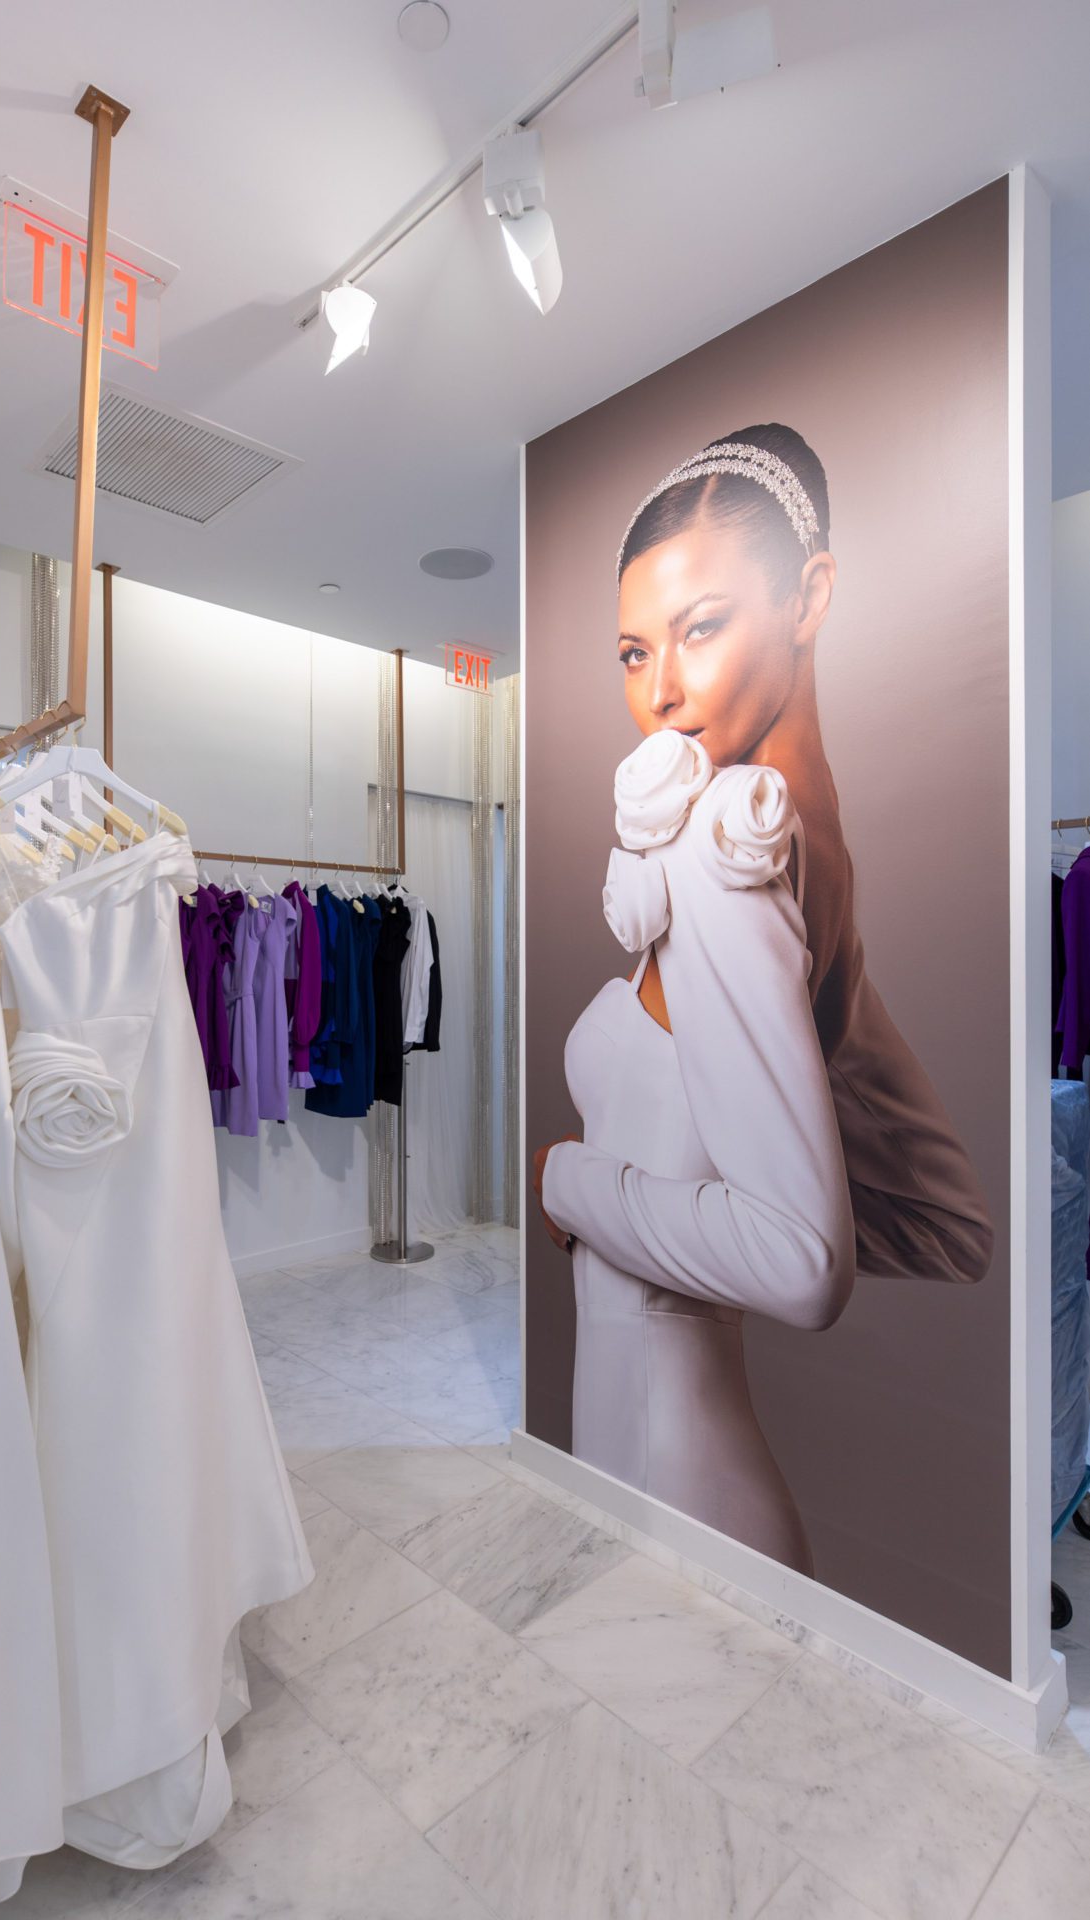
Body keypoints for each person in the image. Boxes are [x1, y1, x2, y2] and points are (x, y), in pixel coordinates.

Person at [533, 424, 992, 1575]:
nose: (661, 693)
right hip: (669, 1466)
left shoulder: (720, 856)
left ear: (809, 596)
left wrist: (573, 1182)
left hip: (678, 1491)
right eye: (633, 651)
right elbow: (948, 1223)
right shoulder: (804, 841)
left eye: (701, 628)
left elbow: (800, 1264)